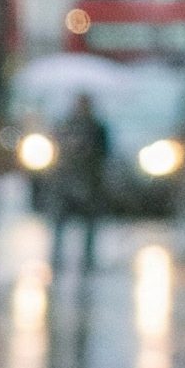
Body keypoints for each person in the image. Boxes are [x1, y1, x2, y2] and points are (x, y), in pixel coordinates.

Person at [50, 92, 113, 274]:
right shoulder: (65, 125)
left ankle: (88, 260)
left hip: (89, 181)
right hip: (66, 181)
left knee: (88, 223)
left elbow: (103, 154)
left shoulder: (97, 127)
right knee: (60, 221)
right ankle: (57, 258)